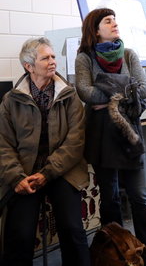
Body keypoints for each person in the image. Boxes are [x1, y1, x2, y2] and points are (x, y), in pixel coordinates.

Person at [75, 8, 146, 266]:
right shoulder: (84, 57)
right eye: (108, 20)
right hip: (101, 135)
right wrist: (123, 92)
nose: (115, 24)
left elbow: (143, 90)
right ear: (95, 29)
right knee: (109, 197)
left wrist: (106, 93)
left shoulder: (129, 54)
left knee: (139, 197)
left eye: (115, 20)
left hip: (129, 134)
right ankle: (114, 250)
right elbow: (85, 93)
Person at [0, 37, 90, 266]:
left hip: (62, 171)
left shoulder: (69, 96)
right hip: (25, 172)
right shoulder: (11, 101)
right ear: (29, 66)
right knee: (19, 234)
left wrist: (47, 173)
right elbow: (3, 144)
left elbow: (75, 142)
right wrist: (16, 178)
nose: (52, 61)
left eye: (53, 56)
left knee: (72, 228)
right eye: (45, 58)